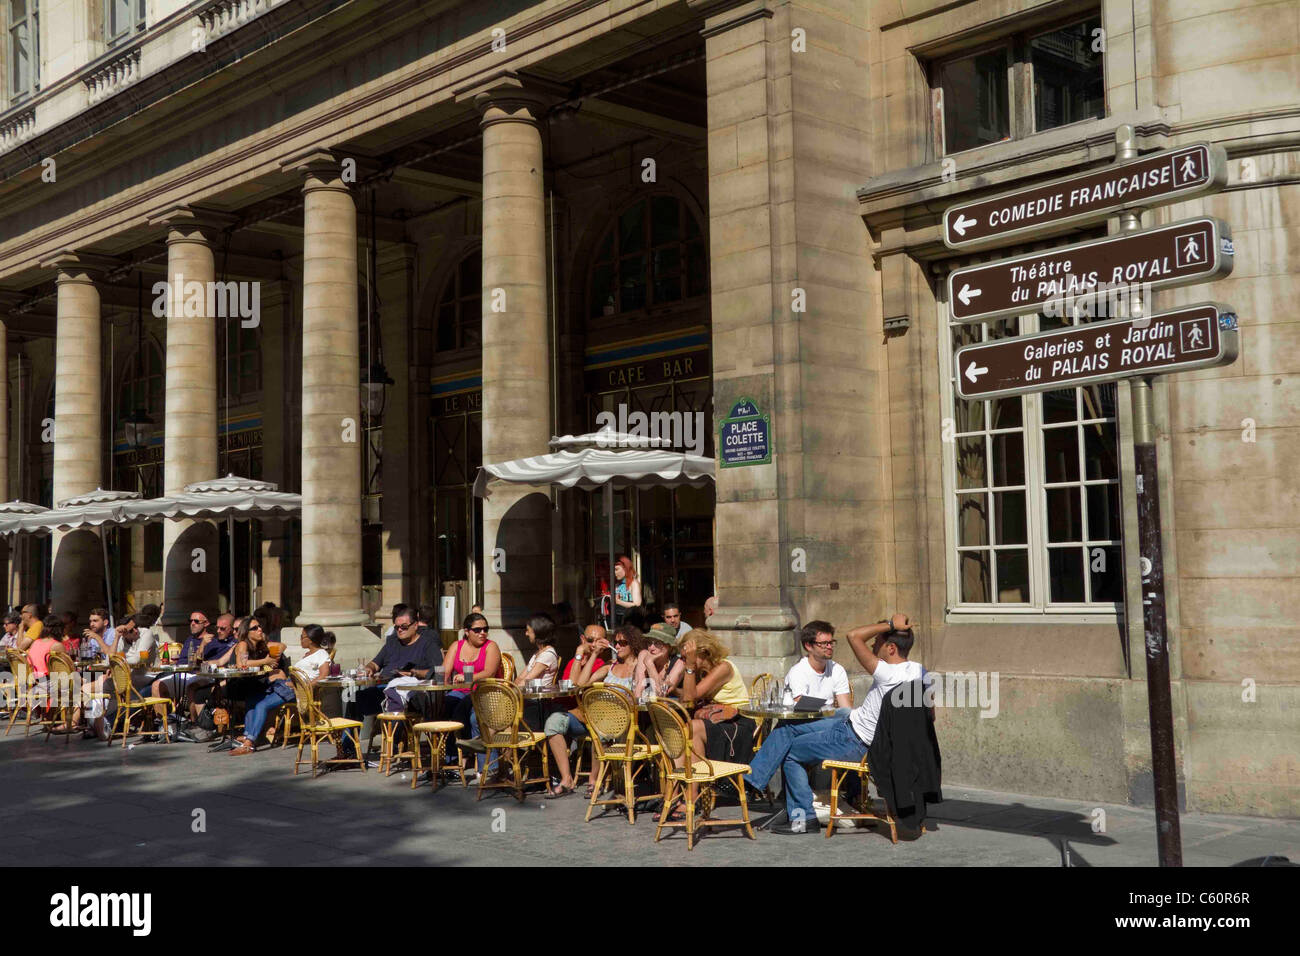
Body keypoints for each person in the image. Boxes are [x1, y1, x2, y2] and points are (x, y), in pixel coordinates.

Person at [743, 613, 926, 835]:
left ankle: (802, 818)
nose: (873, 645)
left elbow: (854, 635)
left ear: (890, 648)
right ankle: (756, 782)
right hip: (855, 729)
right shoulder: (922, 674)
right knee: (789, 729)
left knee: (790, 751)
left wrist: (889, 624)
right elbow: (929, 718)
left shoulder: (886, 672)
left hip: (853, 739)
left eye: (877, 642)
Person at [230, 624, 334, 755]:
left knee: (262, 706)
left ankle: (249, 744)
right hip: (286, 685)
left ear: (311, 640)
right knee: (252, 698)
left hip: (295, 690)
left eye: (302, 637)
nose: (300, 639)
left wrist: (303, 686)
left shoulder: (321, 654)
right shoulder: (308, 654)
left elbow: (324, 676)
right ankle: (247, 735)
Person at [541, 623, 605, 798]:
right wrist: (578, 655)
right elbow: (570, 684)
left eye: (599, 641)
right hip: (573, 715)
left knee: (598, 730)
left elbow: (577, 685)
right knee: (552, 722)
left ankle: (593, 781)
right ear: (583, 640)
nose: (594, 645)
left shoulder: (602, 663)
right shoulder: (573, 661)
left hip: (593, 717)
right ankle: (566, 779)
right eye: (590, 640)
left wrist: (582, 654)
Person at [677, 629, 756, 766]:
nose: (684, 662)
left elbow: (689, 697)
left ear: (703, 653)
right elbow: (688, 696)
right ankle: (678, 785)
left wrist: (690, 666)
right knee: (681, 728)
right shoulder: (702, 671)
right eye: (683, 658)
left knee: (693, 728)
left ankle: (695, 784)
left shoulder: (724, 667)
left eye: (687, 657)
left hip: (738, 721)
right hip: (717, 718)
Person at [784, 620, 852, 711]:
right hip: (803, 721)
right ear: (808, 646)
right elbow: (802, 709)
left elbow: (846, 709)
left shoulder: (837, 669)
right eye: (823, 643)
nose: (829, 647)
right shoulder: (798, 672)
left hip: (829, 720)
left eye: (831, 642)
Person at [635, 621, 685, 696]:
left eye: (657, 643)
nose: (651, 648)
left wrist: (649, 664)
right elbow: (638, 691)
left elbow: (661, 694)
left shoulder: (679, 662)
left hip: (670, 706)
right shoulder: (644, 654)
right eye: (649, 642)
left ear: (669, 646)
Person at [612, 555, 641, 623]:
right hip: (618, 618)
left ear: (625, 568)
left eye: (617, 569)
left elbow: (637, 604)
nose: (615, 573)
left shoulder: (633, 583)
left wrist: (618, 601)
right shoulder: (618, 584)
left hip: (630, 620)